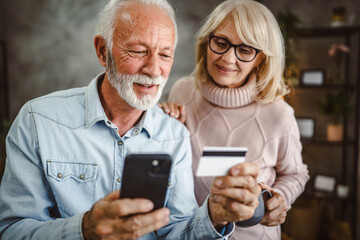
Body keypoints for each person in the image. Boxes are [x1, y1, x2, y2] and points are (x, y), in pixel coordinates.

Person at [0, 0, 262, 239]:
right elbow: (10, 231)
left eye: (165, 55)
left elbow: (175, 231)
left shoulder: (174, 134)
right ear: (103, 51)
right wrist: (84, 231)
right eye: (138, 51)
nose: (153, 69)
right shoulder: (38, 120)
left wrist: (214, 216)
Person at [160, 0, 310, 239]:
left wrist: (278, 199)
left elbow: (296, 174)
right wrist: (164, 120)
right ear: (207, 41)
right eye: (221, 43)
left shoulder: (279, 113)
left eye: (245, 50)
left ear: (260, 58)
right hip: (192, 233)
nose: (228, 59)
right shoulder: (182, 92)